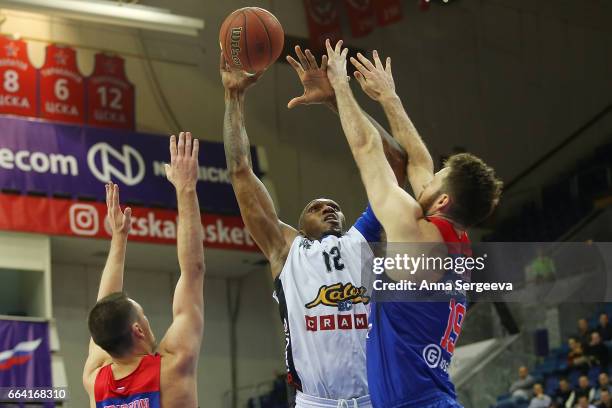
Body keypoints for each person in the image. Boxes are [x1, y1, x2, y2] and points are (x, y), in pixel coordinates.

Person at [220, 44, 406, 407]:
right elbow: (240, 171)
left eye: (334, 206)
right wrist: (233, 95)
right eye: (317, 207)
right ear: (300, 225)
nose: (328, 209)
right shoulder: (287, 248)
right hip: (314, 402)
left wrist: (337, 100)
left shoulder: (362, 239)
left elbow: (395, 164)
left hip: (376, 398)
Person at [323, 40, 502, 407]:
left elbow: (368, 151)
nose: (429, 176)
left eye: (438, 177)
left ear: (442, 201)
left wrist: (338, 86)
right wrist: (389, 97)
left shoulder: (418, 238)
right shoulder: (452, 234)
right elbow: (418, 162)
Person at [82, 133, 205, 408]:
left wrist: (119, 238)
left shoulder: (95, 381)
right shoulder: (172, 368)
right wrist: (186, 189)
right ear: (138, 330)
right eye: (144, 315)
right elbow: (193, 271)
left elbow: (106, 311)